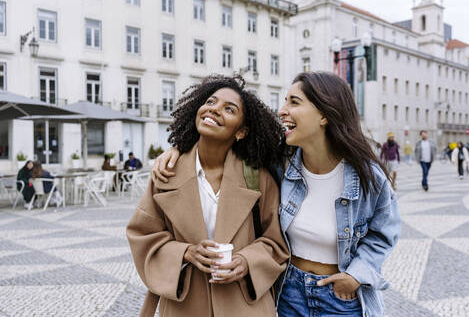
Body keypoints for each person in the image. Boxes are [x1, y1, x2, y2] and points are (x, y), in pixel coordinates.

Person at [154, 71, 401, 317]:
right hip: (290, 293)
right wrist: (179, 149)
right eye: (284, 101)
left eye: (294, 102)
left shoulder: (367, 177)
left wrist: (355, 275)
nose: (282, 110)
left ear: (325, 114)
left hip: (341, 297)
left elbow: (383, 234)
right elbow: (228, 141)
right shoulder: (281, 165)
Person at [126, 75, 289, 317]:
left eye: (229, 109)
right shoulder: (167, 172)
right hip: (185, 304)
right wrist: (186, 253)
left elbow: (275, 243)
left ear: (241, 131)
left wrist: (246, 261)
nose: (214, 110)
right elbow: (142, 235)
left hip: (243, 305)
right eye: (210, 102)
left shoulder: (258, 178)